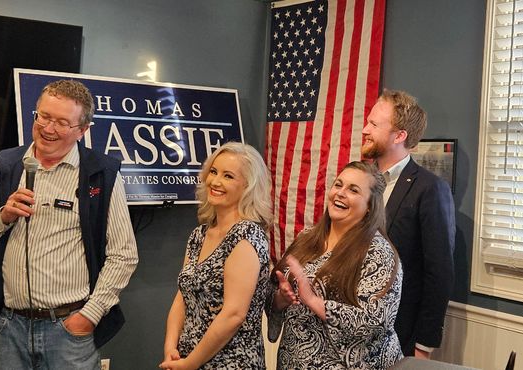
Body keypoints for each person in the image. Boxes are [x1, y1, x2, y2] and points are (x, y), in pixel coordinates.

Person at [0, 79, 139, 369]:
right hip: (12, 326)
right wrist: (3, 215)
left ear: (82, 130)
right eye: (43, 116)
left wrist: (89, 316)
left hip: (68, 331)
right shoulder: (8, 164)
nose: (48, 128)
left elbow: (124, 254)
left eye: (61, 122)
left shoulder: (100, 173)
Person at [267, 161, 404, 369]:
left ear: (370, 206)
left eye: (353, 190)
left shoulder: (379, 252)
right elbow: (272, 291)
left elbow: (375, 320)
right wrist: (281, 299)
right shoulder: (306, 238)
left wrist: (313, 301)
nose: (340, 193)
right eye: (338, 185)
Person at [361, 89, 456, 358]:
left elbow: (439, 272)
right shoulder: (359, 179)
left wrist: (423, 345)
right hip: (351, 331)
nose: (365, 129)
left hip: (399, 335)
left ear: (399, 136)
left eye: (374, 124)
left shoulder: (430, 188)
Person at [160, 142, 272, 370]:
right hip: (186, 359)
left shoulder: (246, 235)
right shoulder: (199, 235)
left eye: (228, 176)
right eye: (213, 172)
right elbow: (182, 296)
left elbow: (234, 315)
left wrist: (191, 363)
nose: (216, 181)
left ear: (248, 186)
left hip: (231, 363)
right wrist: (171, 346)